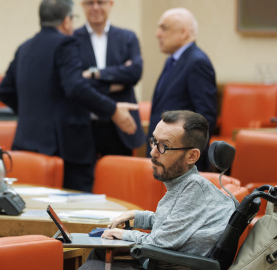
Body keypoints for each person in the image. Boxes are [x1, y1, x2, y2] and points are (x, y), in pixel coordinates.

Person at [0, 0, 139, 193]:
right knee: (75, 207)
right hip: (67, 146)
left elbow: (4, 91)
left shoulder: (25, 47)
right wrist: (112, 109)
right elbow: (74, 86)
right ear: (66, 21)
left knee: (32, 204)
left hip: (27, 142)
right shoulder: (67, 42)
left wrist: (33, 113)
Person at [80, 110, 235, 270]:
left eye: (164, 147)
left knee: (92, 266)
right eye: (154, 141)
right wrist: (138, 216)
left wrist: (125, 234)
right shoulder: (186, 184)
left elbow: (160, 242)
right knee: (101, 250)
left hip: (167, 264)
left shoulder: (194, 189)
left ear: (192, 156)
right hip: (161, 261)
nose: (153, 152)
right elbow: (172, 224)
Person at [147, 8, 217, 171]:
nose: (158, 34)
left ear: (183, 32)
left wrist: (181, 154)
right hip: (164, 155)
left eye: (164, 28)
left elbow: (205, 119)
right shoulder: (172, 60)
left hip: (180, 163)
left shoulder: (197, 62)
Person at [74, 0, 145, 157]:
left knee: (120, 178)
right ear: (82, 5)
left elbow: (135, 72)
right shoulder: (71, 40)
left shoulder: (127, 37)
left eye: (101, 2)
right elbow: (74, 82)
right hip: (84, 125)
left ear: (111, 4)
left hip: (120, 128)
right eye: (90, 3)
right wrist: (112, 83)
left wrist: (93, 74)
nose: (96, 7)